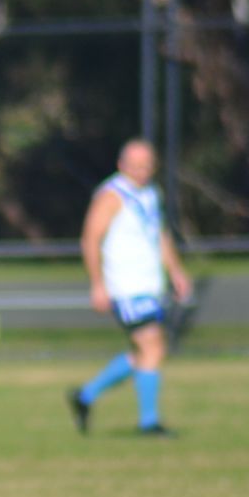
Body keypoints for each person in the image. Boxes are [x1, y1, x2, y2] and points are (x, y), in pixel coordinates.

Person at [67, 138, 194, 437]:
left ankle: (85, 396)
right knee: (153, 346)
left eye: (146, 165)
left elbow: (159, 235)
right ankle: (149, 423)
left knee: (144, 353)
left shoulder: (150, 193)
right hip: (125, 286)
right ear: (121, 165)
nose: (140, 171)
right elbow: (90, 240)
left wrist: (176, 271)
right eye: (134, 165)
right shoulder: (111, 195)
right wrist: (98, 284)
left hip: (149, 284)